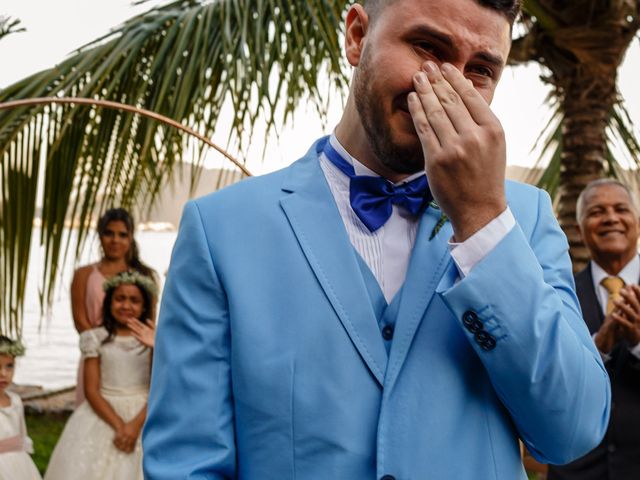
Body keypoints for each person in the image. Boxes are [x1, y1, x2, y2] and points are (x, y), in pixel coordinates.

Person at [143, 0, 611, 478]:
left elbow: (570, 433)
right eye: (427, 47)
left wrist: (482, 222)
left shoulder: (525, 220)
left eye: (481, 70)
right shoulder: (220, 228)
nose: (445, 86)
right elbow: (187, 464)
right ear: (356, 35)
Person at [548, 179, 640, 480]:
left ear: (637, 221)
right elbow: (546, 378)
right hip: (575, 472)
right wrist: (597, 345)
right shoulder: (555, 294)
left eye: (621, 209)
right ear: (580, 227)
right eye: (597, 211)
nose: (611, 217)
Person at [45, 271, 157, 480]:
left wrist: (134, 426)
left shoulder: (152, 341)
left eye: (134, 300)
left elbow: (157, 386)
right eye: (119, 298)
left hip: (142, 413)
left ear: (144, 307)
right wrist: (120, 426)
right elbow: (91, 390)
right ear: (109, 302)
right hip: (103, 414)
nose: (126, 305)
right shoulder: (95, 338)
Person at [70, 208, 155, 405]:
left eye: (122, 235)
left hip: (134, 358)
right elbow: (80, 320)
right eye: (109, 233)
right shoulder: (83, 275)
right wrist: (104, 351)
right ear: (100, 235)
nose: (115, 240)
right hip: (96, 353)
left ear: (131, 237)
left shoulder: (144, 276)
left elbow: (150, 321)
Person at [0, 336, 41, 480]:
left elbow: (22, 435)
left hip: (19, 464)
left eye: (9, 366)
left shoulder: (15, 401)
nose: (3, 374)